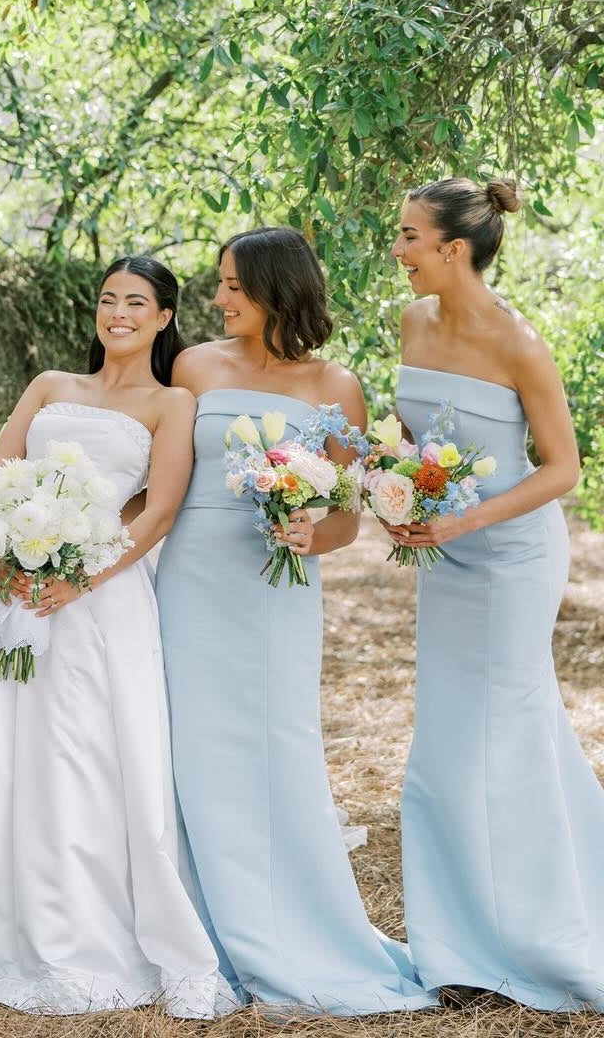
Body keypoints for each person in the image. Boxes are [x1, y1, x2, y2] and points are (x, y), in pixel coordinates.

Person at [0, 255, 236, 1019]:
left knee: (77, 757)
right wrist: (2, 555)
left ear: (162, 318)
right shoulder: (52, 385)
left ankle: (78, 928)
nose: (117, 313)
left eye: (136, 302)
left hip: (98, 598)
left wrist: (74, 579)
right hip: (5, 589)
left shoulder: (173, 403)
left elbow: (156, 513)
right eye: (108, 299)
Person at [158, 226, 433, 1015]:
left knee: (277, 743)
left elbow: (348, 518)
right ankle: (193, 925)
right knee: (188, 743)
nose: (218, 299)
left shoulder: (336, 386)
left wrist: (313, 533)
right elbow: (164, 478)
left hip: (278, 587)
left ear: (278, 289)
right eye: (219, 284)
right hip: (191, 578)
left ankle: (293, 923)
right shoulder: (194, 365)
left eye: (234, 287)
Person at [388, 176, 604, 1009]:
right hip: (445, 557)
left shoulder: (520, 343)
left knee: (507, 734)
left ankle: (542, 936)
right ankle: (457, 945)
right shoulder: (411, 322)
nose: (398, 251)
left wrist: (465, 520)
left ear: (453, 249)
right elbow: (416, 436)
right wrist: (399, 488)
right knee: (446, 737)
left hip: (512, 559)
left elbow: (563, 468)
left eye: (409, 237)